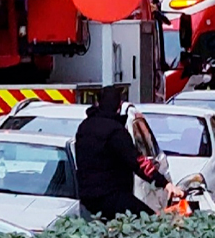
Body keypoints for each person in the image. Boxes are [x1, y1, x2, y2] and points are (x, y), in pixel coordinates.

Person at [75, 86, 183, 220]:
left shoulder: (84, 127)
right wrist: (165, 183)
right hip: (112, 196)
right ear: (119, 106)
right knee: (149, 222)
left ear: (98, 103)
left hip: (87, 198)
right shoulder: (116, 132)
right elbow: (137, 162)